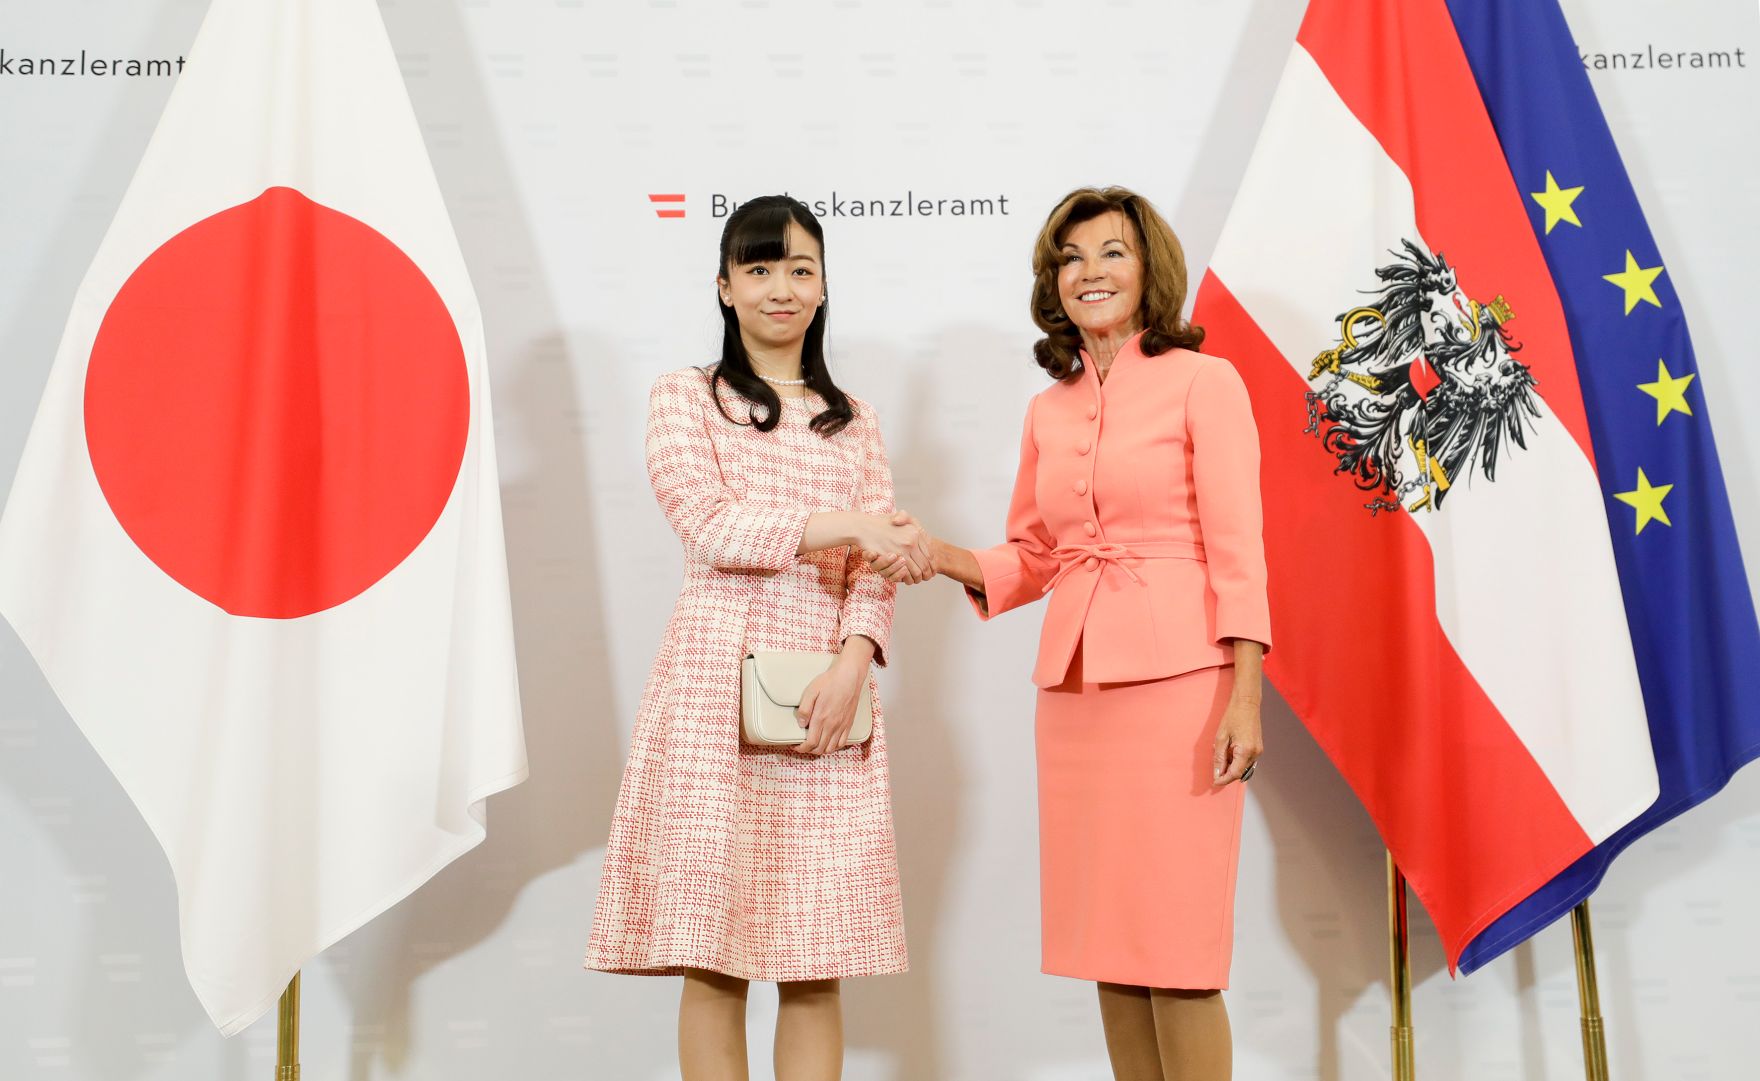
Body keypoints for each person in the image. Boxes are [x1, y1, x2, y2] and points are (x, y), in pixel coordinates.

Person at [887, 186, 1271, 1080]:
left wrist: (1245, 696)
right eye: (1070, 258)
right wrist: (937, 552)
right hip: (1075, 694)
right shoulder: (1047, 409)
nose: (1089, 272)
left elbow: (1241, 552)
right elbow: (1035, 553)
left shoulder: (1205, 382)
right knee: (1109, 944)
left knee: (1175, 951)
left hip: (1184, 686)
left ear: (1150, 271)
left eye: (1111, 252)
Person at [585, 195, 930, 1081]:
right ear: (726, 286)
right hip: (711, 691)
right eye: (761, 267)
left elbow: (877, 569)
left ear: (823, 288)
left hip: (828, 695)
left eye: (801, 268)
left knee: (817, 960)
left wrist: (855, 665)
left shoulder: (853, 416)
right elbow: (709, 526)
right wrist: (848, 520)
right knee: (717, 953)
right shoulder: (684, 397)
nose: (782, 286)